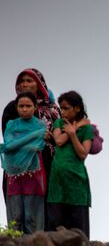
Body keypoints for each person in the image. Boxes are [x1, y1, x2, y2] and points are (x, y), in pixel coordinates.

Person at [3, 69, 60, 201]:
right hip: (19, 167)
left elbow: (58, 138)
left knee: (45, 212)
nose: (24, 84)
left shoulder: (53, 109)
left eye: (29, 81)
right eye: (21, 81)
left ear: (39, 84)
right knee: (19, 214)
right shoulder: (13, 108)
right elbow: (9, 137)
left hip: (48, 164)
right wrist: (37, 135)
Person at [46, 91, 94, 236]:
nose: (63, 112)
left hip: (76, 182)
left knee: (78, 228)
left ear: (77, 108)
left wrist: (73, 134)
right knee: (56, 225)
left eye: (66, 108)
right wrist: (76, 127)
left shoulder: (87, 129)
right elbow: (58, 141)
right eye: (61, 108)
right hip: (57, 182)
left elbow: (82, 154)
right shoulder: (59, 123)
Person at [0, 92, 47, 233]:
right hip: (14, 174)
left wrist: (19, 145)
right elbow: (8, 144)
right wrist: (30, 142)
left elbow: (36, 145)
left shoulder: (40, 125)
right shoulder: (11, 125)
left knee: (32, 215)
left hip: (34, 174)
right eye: (21, 106)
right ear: (16, 107)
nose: (24, 109)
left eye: (28, 106)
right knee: (15, 215)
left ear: (35, 107)